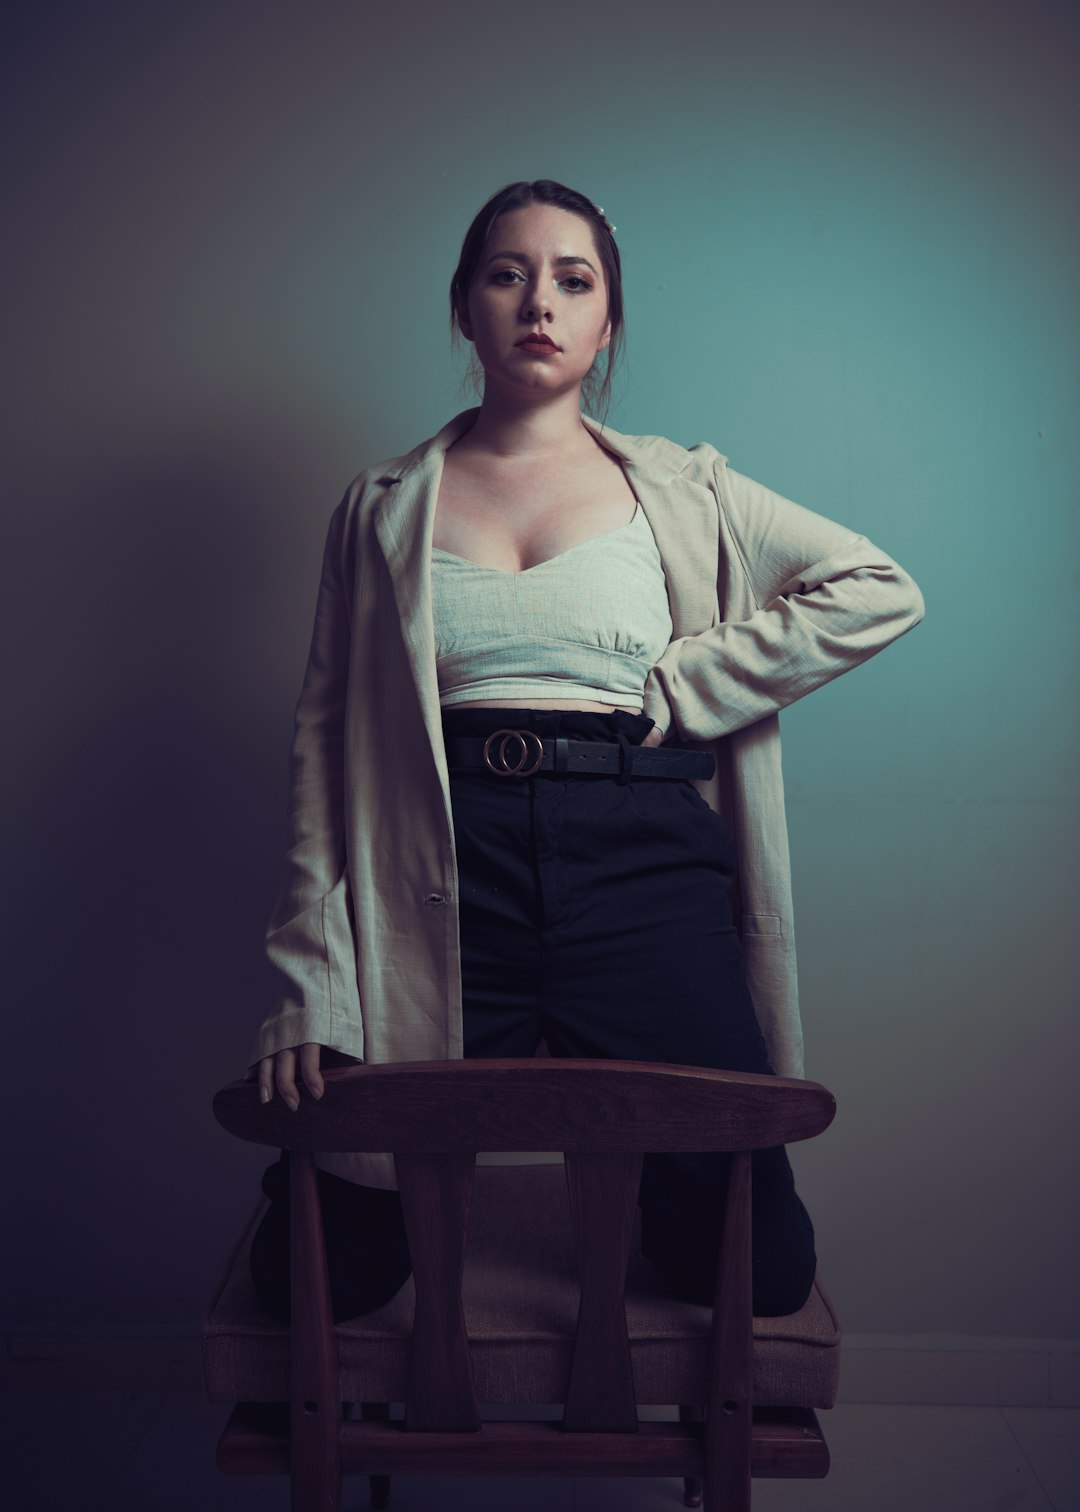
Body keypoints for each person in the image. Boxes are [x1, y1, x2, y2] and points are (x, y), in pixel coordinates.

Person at [244, 178, 924, 1323]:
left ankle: (657, 1216)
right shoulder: (379, 505)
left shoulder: (683, 486)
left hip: (640, 856)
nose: (539, 303)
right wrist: (311, 985)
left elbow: (877, 588)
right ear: (464, 308)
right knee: (327, 1270)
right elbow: (324, 749)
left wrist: (694, 682)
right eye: (508, 275)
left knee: (756, 1267)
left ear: (609, 319)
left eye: (574, 280)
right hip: (439, 865)